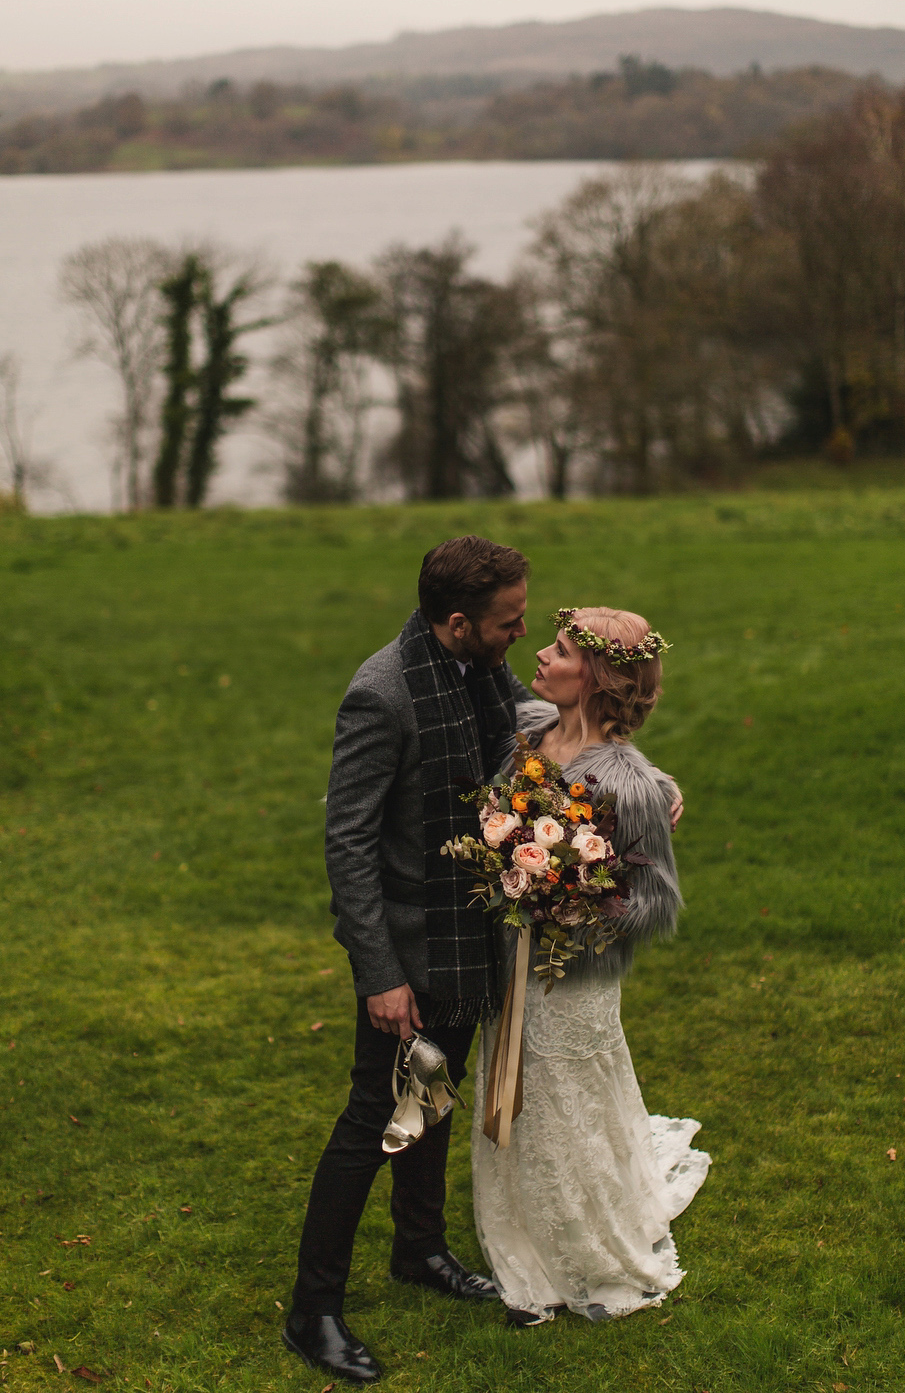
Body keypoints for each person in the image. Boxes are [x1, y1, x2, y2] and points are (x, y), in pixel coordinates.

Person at [283, 535, 532, 1383]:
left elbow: (551, 735)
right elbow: (347, 841)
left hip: (468, 943)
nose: (519, 638)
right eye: (508, 624)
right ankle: (312, 1310)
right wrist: (380, 975)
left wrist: (646, 776)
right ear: (458, 622)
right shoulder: (381, 695)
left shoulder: (483, 673)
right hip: (410, 957)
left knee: (436, 1099)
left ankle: (418, 1252)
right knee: (372, 1123)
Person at [472, 606, 709, 1326]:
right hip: (511, 957)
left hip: (573, 976)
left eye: (561, 649)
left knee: (563, 1097)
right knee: (511, 1087)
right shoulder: (529, 727)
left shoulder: (627, 782)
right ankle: (522, 1233)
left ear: (598, 676)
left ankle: (582, 1253)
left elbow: (656, 900)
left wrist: (572, 906)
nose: (540, 655)